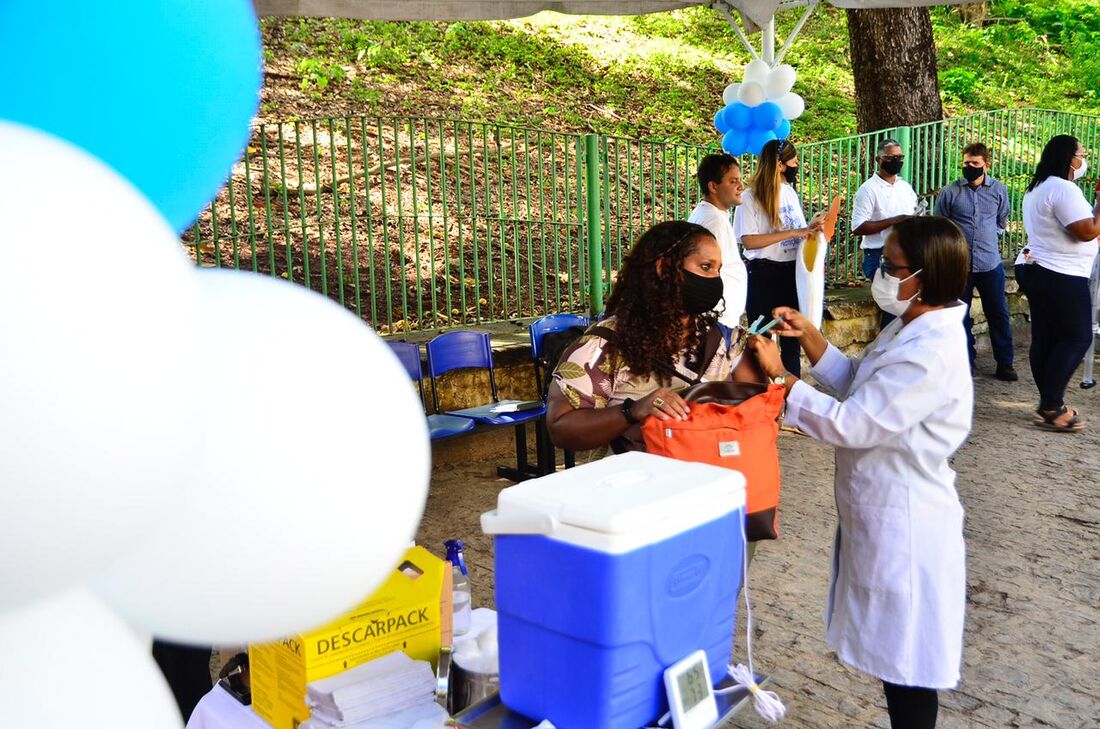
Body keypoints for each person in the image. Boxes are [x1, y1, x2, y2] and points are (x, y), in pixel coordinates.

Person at [746, 216, 973, 729]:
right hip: (882, 502)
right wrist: (810, 340)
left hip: (909, 515)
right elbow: (861, 384)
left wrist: (780, 380)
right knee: (897, 657)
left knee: (909, 663)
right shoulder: (911, 322)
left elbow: (854, 423)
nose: (883, 276)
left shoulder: (930, 351)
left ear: (925, 274)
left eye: (892, 267)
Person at [545, 220, 759, 454]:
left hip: (711, 483)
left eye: (718, 270)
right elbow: (561, 428)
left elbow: (758, 413)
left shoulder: (725, 342)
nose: (715, 279)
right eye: (706, 267)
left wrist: (774, 371)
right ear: (664, 268)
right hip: (634, 483)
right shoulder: (603, 346)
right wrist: (632, 410)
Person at [1016, 134, 1100, 432]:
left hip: (1038, 269)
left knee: (1047, 338)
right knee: (1078, 337)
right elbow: (1086, 232)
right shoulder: (1063, 189)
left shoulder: (1038, 187)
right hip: (1059, 274)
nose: (1084, 159)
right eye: (1081, 153)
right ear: (1068, 157)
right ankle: (1051, 406)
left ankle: (1050, 403)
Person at [735, 138, 824, 376]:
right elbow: (749, 241)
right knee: (761, 340)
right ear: (781, 165)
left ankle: (790, 399)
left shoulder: (789, 192)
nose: (797, 165)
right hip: (764, 274)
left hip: (790, 273)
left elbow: (798, 230)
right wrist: (794, 232)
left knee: (791, 343)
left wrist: (812, 228)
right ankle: (761, 397)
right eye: (794, 161)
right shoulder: (749, 198)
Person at [934, 142, 1016, 380]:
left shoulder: (999, 190)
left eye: (975, 164)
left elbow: (1002, 221)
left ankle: (1005, 363)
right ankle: (965, 362)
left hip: (990, 263)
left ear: (986, 165)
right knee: (959, 315)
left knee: (998, 313)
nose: (970, 167)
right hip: (959, 266)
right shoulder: (950, 192)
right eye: (966, 163)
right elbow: (942, 225)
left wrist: (987, 238)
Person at [852, 138, 919, 291]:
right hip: (880, 255)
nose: (896, 161)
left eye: (899, 157)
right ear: (878, 160)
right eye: (890, 158)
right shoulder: (868, 190)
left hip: (907, 252)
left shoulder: (905, 187)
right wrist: (894, 221)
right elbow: (858, 227)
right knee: (893, 305)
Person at [689, 153, 747, 327]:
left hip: (719, 318)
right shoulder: (713, 221)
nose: (741, 186)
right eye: (733, 181)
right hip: (716, 320)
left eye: (739, 180)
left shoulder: (713, 215)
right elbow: (704, 271)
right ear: (713, 186)